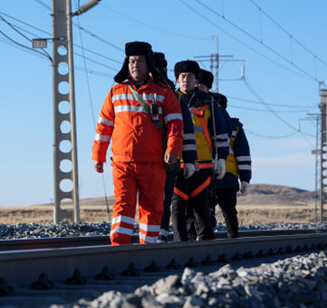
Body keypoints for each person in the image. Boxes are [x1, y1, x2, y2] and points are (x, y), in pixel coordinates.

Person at [92, 41, 183, 245]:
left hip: (153, 162)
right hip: (122, 162)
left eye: (140, 61)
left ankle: (147, 251)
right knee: (122, 205)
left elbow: (176, 125)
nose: (135, 65)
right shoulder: (116, 92)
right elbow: (103, 127)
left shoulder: (163, 92)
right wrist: (98, 155)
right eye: (132, 61)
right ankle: (119, 249)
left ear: (148, 63)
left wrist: (172, 149)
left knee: (151, 207)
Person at [170, 61, 230, 241]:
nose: (185, 80)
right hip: (176, 162)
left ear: (196, 80)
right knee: (177, 205)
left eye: (189, 76)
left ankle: (205, 243)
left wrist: (221, 158)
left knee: (201, 205)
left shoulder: (209, 102)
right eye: (182, 77)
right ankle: (179, 243)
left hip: (203, 163)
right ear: (177, 80)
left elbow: (220, 131)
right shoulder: (170, 99)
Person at [153, 52, 197, 241]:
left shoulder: (174, 97)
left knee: (164, 199)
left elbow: (186, 130)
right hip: (142, 157)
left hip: (169, 158)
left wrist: (189, 160)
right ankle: (149, 236)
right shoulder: (130, 93)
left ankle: (159, 235)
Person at [214, 114, 252, 238]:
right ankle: (233, 238)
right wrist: (245, 179)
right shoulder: (235, 127)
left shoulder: (203, 118)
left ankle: (205, 239)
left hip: (207, 173)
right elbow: (243, 153)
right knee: (229, 210)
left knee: (205, 210)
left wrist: (245, 179)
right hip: (228, 176)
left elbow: (243, 153)